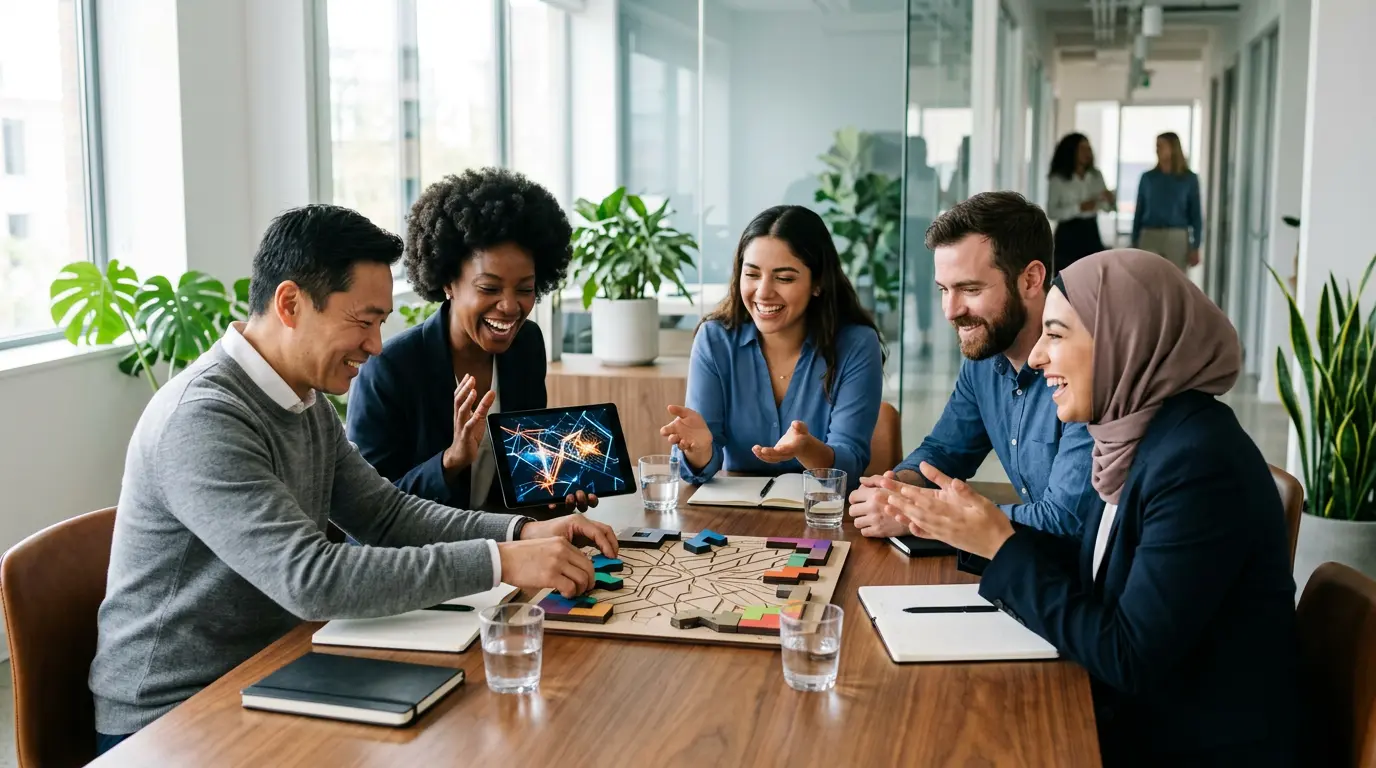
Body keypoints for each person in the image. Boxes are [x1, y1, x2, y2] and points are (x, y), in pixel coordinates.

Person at [88, 205, 617, 753]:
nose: (376, 345)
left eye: (381, 322)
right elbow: (310, 579)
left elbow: (385, 514)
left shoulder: (303, 399)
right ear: (290, 303)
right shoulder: (203, 417)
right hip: (173, 716)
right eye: (363, 321)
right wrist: (500, 561)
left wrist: (519, 534)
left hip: (282, 667)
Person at [874, 249, 1299, 766]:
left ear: (1125, 337)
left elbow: (1129, 656)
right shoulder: (1133, 436)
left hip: (1186, 743)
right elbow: (1094, 572)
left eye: (1055, 334)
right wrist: (966, 529)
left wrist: (999, 542)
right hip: (1135, 716)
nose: (1036, 357)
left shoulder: (1199, 464)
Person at [848, 191, 1100, 539]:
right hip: (1030, 567)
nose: (951, 311)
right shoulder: (987, 356)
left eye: (969, 289)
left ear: (1030, 279)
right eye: (943, 290)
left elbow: (1066, 521)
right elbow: (944, 451)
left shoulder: (1085, 366)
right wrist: (898, 490)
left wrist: (925, 515)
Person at [346, 168, 593, 511]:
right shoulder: (390, 369)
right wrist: (451, 460)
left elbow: (522, 480)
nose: (510, 307)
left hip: (503, 552)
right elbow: (365, 512)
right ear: (448, 282)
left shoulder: (526, 346)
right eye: (489, 288)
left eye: (525, 289)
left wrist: (555, 490)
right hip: (426, 560)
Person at [659, 205, 884, 491]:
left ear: (818, 283)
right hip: (735, 518)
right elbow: (696, 472)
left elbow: (850, 468)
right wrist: (700, 449)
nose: (763, 292)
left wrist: (806, 448)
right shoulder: (715, 340)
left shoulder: (857, 344)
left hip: (821, 513)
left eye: (784, 278)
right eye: (752, 274)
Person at [1131, 132, 1203, 271]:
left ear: (1173, 148)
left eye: (1161, 146)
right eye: (1156, 146)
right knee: (1147, 279)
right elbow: (1139, 210)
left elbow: (1196, 215)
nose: (1157, 150)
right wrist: (1134, 239)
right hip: (1150, 234)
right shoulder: (1148, 178)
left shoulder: (1188, 179)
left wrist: (1196, 246)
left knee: (1175, 281)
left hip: (1177, 236)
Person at [1046, 133, 1114, 273]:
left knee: (1093, 274)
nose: (1087, 152)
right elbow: (1052, 212)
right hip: (1068, 233)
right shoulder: (1058, 179)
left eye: (1088, 148)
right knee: (1067, 274)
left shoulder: (1096, 175)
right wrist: (1079, 208)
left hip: (1091, 230)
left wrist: (1109, 200)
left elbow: (1107, 208)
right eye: (1082, 148)